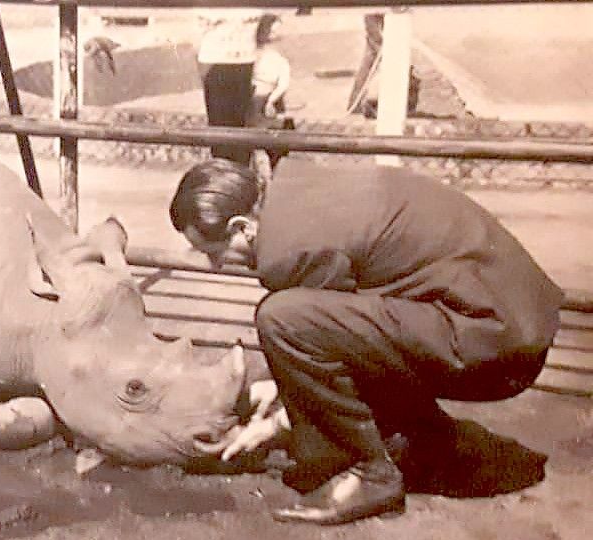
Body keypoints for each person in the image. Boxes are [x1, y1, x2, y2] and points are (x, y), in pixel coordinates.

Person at [171, 157, 563, 525]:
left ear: (242, 226)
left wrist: (276, 422)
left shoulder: (286, 251)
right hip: (509, 319)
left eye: (216, 253)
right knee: (307, 323)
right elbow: (349, 331)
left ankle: (371, 473)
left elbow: (319, 339)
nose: (216, 265)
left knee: (282, 317)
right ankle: (425, 438)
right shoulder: (296, 187)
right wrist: (282, 395)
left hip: (497, 350)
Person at [197, 11, 291, 167]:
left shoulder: (273, 57)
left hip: (244, 64)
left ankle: (241, 171)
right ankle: (225, 169)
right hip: (217, 62)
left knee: (243, 133)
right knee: (222, 132)